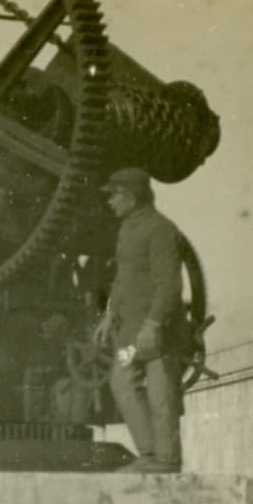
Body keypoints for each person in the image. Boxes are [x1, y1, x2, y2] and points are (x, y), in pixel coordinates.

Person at [97, 166, 188, 472]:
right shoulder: (127, 229)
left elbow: (170, 284)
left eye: (114, 196)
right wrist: (110, 314)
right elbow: (123, 278)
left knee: (161, 394)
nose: (110, 202)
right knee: (121, 380)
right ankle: (149, 454)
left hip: (157, 334)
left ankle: (167, 459)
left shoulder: (161, 230)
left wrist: (154, 324)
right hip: (131, 336)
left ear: (131, 196)